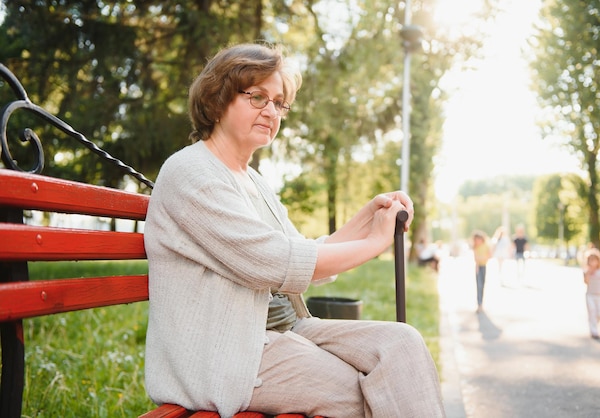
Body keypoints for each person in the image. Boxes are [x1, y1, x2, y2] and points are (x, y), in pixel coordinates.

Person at [143, 43, 444, 418]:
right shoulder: (192, 174)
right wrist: (375, 242)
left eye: (278, 103)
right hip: (230, 354)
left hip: (288, 331)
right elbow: (276, 264)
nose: (271, 111)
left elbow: (300, 251)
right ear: (218, 98)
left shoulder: (254, 181)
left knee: (402, 344)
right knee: (371, 389)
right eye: (257, 97)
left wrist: (369, 216)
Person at [472, 230, 491, 313]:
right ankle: (479, 304)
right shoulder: (475, 247)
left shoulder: (485, 246)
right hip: (478, 267)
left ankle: (481, 303)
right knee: (479, 286)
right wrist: (480, 260)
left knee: (482, 285)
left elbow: (489, 256)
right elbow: (476, 259)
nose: (477, 241)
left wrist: (481, 259)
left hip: (484, 266)